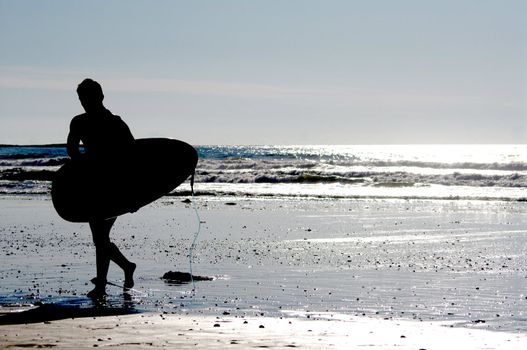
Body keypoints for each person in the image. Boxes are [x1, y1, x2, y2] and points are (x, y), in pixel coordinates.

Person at [67, 78, 136, 298]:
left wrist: (135, 195)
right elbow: (72, 150)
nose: (85, 102)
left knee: (99, 237)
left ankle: (112, 277)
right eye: (82, 99)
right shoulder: (79, 121)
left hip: (113, 187)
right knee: (100, 236)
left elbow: (133, 159)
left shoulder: (116, 123)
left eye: (88, 98)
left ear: (101, 96)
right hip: (92, 186)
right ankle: (112, 276)